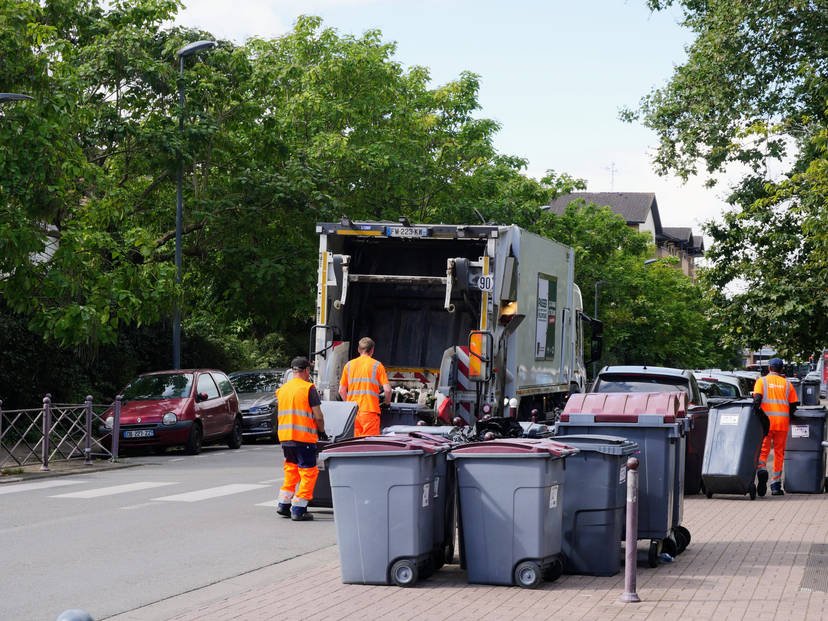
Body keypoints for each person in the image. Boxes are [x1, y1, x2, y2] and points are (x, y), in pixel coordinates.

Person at [275, 356, 326, 521]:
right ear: (306, 371)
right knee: (309, 472)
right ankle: (299, 508)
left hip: (285, 438)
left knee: (291, 470)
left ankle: (283, 504)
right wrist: (322, 431)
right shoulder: (308, 388)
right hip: (303, 438)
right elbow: (318, 416)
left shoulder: (282, 389)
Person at [753, 357, 799, 496]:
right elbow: (793, 405)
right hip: (782, 423)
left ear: (769, 368)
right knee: (779, 453)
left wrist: (759, 417)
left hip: (766, 423)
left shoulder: (762, 381)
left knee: (763, 450)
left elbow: (756, 401)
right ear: (781, 369)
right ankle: (775, 485)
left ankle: (761, 469)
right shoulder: (787, 384)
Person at [339, 336, 392, 437]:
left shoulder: (349, 365)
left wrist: (349, 405)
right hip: (370, 412)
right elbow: (388, 390)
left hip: (353, 413)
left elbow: (341, 390)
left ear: (359, 349)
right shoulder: (377, 365)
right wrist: (386, 403)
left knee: (355, 444)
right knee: (368, 445)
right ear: (372, 350)